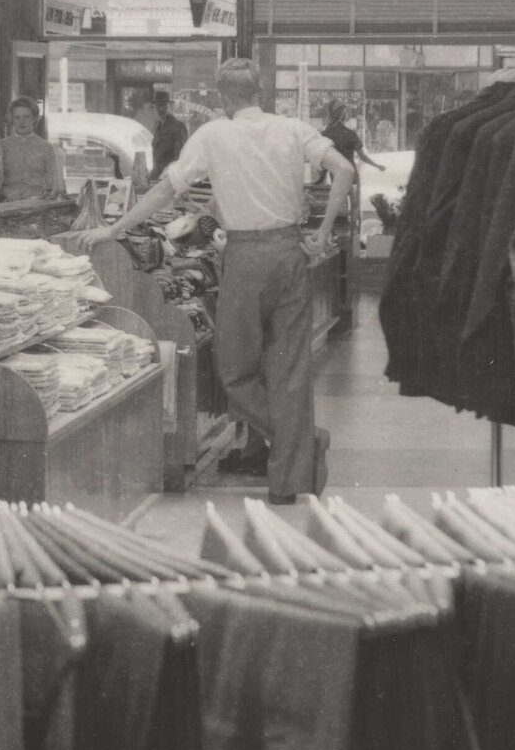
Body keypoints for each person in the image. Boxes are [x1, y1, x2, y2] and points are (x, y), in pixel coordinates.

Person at [75, 58, 356, 504]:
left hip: (244, 258)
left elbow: (165, 190)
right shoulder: (292, 129)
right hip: (289, 254)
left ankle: (301, 444)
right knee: (290, 371)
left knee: (233, 371)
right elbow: (345, 170)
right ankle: (290, 477)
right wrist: (322, 232)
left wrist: (114, 229)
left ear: (224, 98)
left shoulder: (212, 134)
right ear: (260, 91)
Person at [0, 97, 64, 202]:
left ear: (34, 118)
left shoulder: (46, 147)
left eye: (26, 117)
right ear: (12, 120)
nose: (22, 122)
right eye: (17, 117)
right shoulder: (1, 146)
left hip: (38, 204)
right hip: (8, 204)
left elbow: (53, 184)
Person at [322, 102, 386, 173]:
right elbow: (362, 156)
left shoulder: (324, 134)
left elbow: (323, 160)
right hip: (350, 174)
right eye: (345, 111)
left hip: (335, 175)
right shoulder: (350, 134)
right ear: (343, 115)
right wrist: (376, 166)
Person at [149, 90, 189, 182]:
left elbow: (180, 157)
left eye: (163, 105)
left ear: (170, 106)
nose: (160, 109)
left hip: (170, 177)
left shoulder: (178, 126)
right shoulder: (159, 127)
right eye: (158, 106)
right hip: (158, 176)